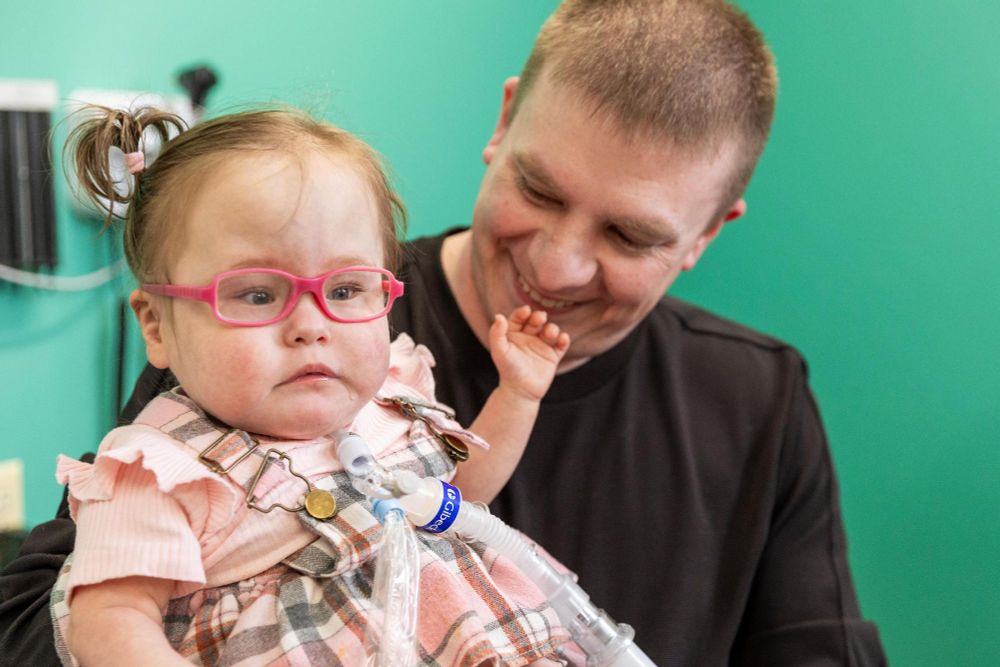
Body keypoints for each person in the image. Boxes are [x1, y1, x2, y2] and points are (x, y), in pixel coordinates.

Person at [0, 1, 888, 664]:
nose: (560, 264)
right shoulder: (253, 352)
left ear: (709, 234)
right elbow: (45, 611)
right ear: (503, 122)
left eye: (629, 235)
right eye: (539, 191)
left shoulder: (758, 394)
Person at [44, 104, 572, 666]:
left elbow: (462, 499)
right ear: (156, 324)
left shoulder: (392, 400)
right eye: (258, 295)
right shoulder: (163, 471)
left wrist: (517, 396)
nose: (311, 327)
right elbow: (110, 622)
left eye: (345, 290)